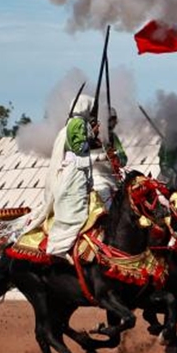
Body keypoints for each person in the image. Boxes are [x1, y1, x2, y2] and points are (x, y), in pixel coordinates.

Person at [44, 94, 98, 261]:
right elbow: (80, 147)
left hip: (77, 170)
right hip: (75, 171)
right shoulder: (78, 123)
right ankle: (61, 247)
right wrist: (92, 135)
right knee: (76, 211)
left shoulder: (76, 123)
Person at [92, 107, 128, 210]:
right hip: (98, 180)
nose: (115, 124)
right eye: (112, 120)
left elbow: (123, 158)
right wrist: (104, 157)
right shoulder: (91, 138)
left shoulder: (113, 137)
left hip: (113, 178)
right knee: (110, 208)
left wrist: (117, 158)